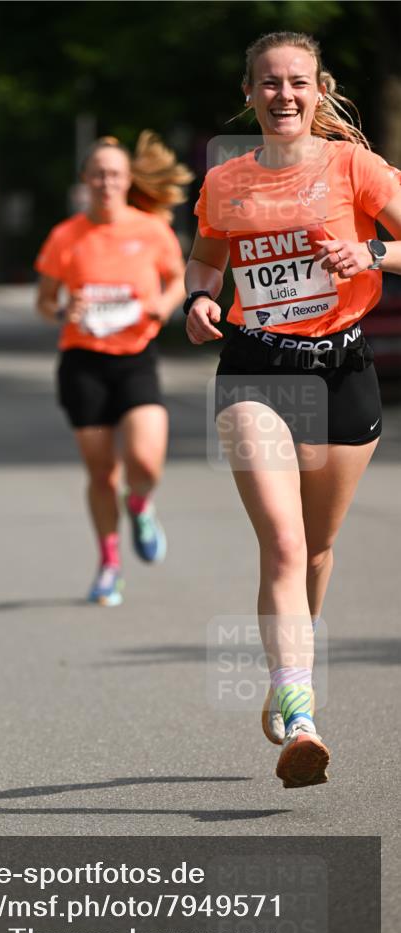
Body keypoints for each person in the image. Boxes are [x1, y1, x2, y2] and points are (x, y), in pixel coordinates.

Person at [184, 31, 401, 787]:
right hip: (257, 369)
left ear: (318, 89)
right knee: (281, 541)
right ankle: (301, 712)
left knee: (314, 549)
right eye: (269, 83)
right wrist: (199, 299)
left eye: (297, 82)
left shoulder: (354, 167)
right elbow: (207, 259)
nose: (284, 95)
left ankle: (288, 673)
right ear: (249, 93)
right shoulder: (226, 181)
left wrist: (372, 254)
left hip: (342, 369)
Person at [36, 132, 192, 606]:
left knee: (145, 462)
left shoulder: (151, 230)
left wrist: (162, 306)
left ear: (128, 180)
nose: (106, 183)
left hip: (136, 358)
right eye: (98, 175)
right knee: (102, 473)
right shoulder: (65, 236)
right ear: (84, 180)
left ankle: (140, 504)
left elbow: (179, 280)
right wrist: (64, 310)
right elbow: (43, 302)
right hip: (83, 362)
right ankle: (109, 565)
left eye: (115, 175)